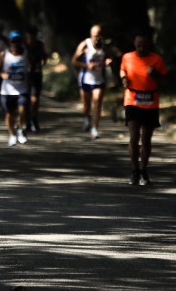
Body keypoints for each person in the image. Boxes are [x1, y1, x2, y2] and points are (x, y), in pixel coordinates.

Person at [119, 32, 168, 186]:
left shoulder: (156, 59)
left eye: (144, 45)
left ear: (149, 45)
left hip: (150, 101)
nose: (141, 48)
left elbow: (164, 80)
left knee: (146, 139)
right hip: (132, 100)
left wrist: (155, 75)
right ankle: (134, 171)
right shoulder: (127, 57)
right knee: (134, 137)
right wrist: (123, 78)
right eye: (138, 45)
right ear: (135, 44)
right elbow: (122, 71)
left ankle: (143, 170)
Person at [71, 24, 119, 140]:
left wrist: (108, 61)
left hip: (98, 80)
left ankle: (95, 128)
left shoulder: (103, 46)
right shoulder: (84, 44)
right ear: (91, 34)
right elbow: (74, 61)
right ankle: (87, 117)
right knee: (87, 106)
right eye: (95, 34)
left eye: (98, 34)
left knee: (97, 103)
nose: (96, 37)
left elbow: (109, 57)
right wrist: (87, 65)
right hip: (85, 79)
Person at [0, 31, 29, 146]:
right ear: (9, 42)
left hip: (22, 89)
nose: (15, 43)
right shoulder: (4, 54)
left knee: (22, 111)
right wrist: (3, 74)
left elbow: (32, 65)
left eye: (18, 41)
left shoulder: (26, 53)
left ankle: (20, 130)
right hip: (7, 90)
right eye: (13, 41)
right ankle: (11, 134)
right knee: (9, 113)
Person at [24, 25, 47, 133]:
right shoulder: (23, 45)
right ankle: (27, 122)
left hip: (37, 74)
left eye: (34, 35)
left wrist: (41, 63)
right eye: (30, 35)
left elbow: (44, 57)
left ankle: (34, 120)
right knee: (26, 100)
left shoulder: (39, 45)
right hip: (25, 75)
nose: (32, 37)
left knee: (35, 99)